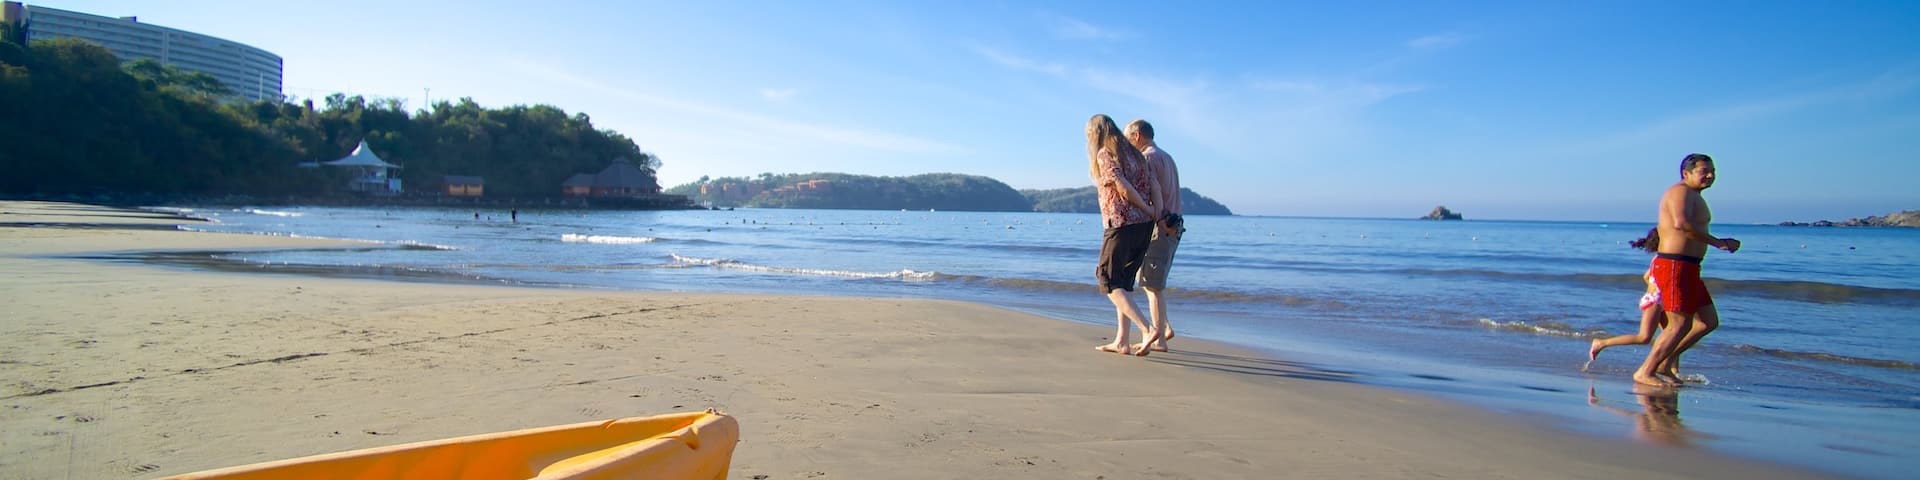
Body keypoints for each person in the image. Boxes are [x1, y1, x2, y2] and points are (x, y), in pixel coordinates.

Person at [1635, 153, 1739, 387]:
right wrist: (1718, 242)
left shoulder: (1694, 195)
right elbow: (1681, 225)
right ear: (1686, 173)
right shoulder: (1678, 192)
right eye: (1704, 171)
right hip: (1674, 264)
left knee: (1707, 322)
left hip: (1690, 266)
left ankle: (1665, 361)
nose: (1711, 176)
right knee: (1679, 324)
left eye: (1713, 171)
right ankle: (1645, 371)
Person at [1086, 114, 1161, 356]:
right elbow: (1154, 186)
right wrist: (1153, 213)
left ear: (1095, 134)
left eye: (1088, 135)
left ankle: (1147, 329)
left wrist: (1146, 208)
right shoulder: (1137, 155)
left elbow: (1122, 187)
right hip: (1144, 226)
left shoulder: (1105, 154)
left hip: (1120, 223)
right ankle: (1122, 341)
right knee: (1125, 282)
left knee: (1108, 280)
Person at [1126, 119, 1182, 352]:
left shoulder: (1147, 159)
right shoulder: (1167, 157)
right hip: (1174, 224)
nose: (1127, 144)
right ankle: (1164, 327)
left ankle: (1158, 338)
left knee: (1152, 285)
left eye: (1128, 138)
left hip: (1161, 225)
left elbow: (1150, 194)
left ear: (1137, 135)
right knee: (1154, 283)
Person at [1586, 229, 1672, 378]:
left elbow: (1646, 276)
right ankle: (1602, 343)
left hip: (1657, 300)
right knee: (1644, 338)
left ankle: (1670, 369)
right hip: (1654, 301)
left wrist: (1653, 288)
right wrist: (1654, 292)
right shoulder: (1661, 259)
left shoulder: (1658, 258)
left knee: (1669, 335)